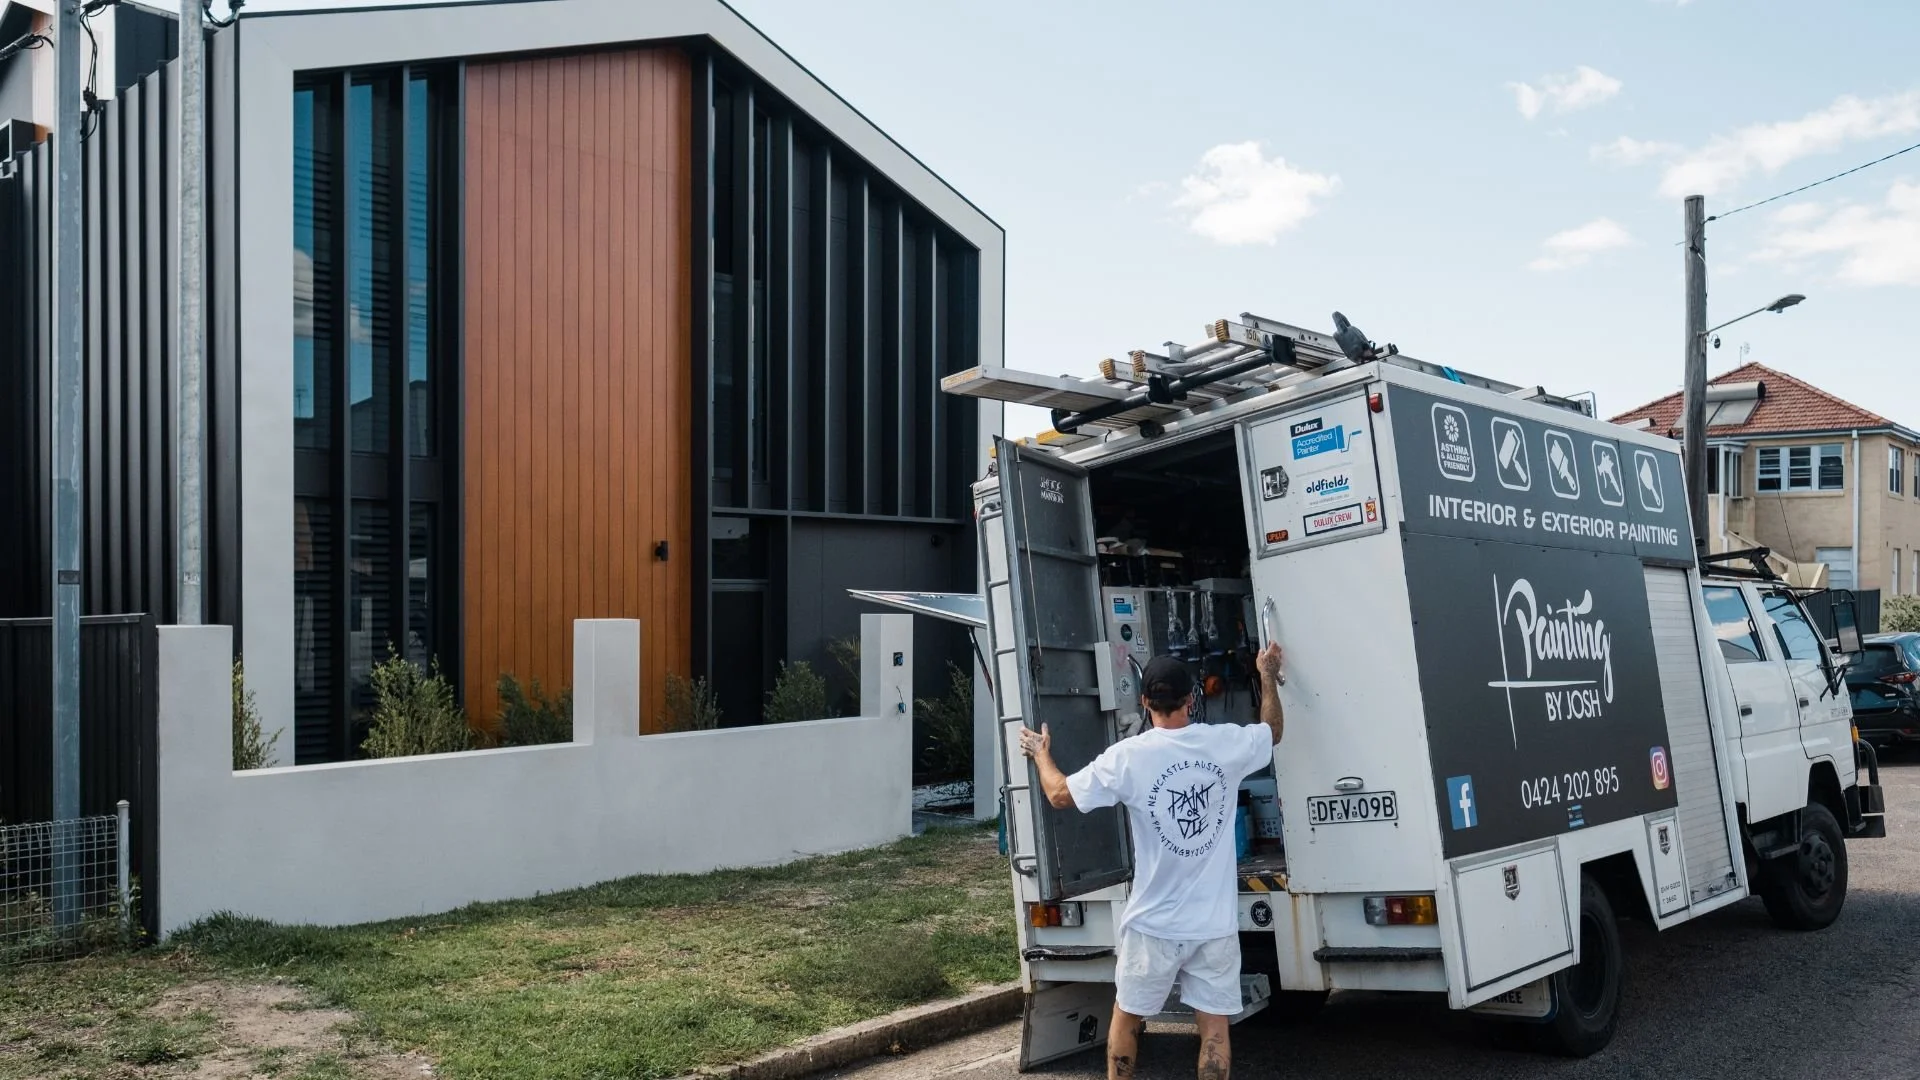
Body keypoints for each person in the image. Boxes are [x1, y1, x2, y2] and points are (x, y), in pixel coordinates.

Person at [1020, 643, 1285, 1080]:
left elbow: (1059, 794)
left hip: (1152, 926)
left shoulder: (1129, 757)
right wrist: (1267, 673)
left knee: (1127, 1018)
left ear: (1144, 702)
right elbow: (1272, 731)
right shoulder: (1225, 744)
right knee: (1214, 1028)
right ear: (1191, 699)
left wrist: (1041, 754)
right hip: (1212, 925)